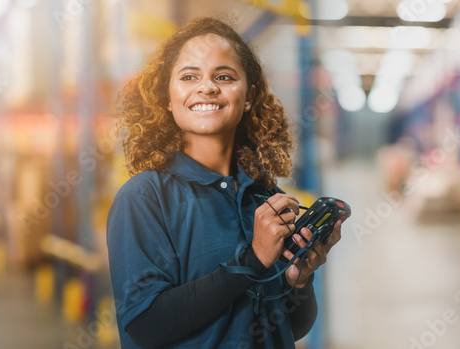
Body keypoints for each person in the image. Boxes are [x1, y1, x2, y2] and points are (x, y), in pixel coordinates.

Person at [106, 17, 345, 349]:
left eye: (224, 77)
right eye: (189, 76)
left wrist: (299, 281)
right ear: (167, 97)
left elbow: (292, 327)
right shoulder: (144, 198)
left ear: (248, 97)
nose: (207, 87)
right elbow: (146, 325)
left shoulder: (267, 198)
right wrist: (252, 261)